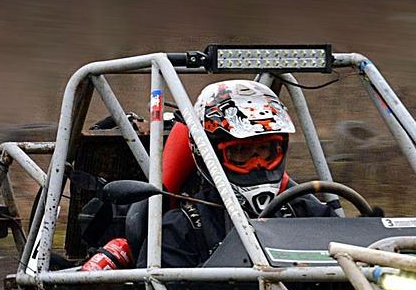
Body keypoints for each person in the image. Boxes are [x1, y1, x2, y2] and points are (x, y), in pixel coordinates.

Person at [137, 79, 333, 268]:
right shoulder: (182, 229)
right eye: (241, 152)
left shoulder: (309, 213)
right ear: (210, 155)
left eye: (266, 150)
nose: (257, 164)